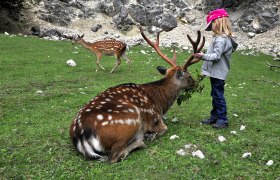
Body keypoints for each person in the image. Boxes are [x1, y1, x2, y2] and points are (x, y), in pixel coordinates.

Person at [193, 9, 236, 129]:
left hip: (218, 74)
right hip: (216, 73)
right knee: (215, 95)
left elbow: (216, 56)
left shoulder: (221, 39)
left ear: (218, 22)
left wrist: (203, 56)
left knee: (218, 96)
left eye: (211, 24)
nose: (211, 27)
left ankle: (223, 119)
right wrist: (204, 54)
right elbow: (215, 53)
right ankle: (215, 116)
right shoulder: (220, 38)